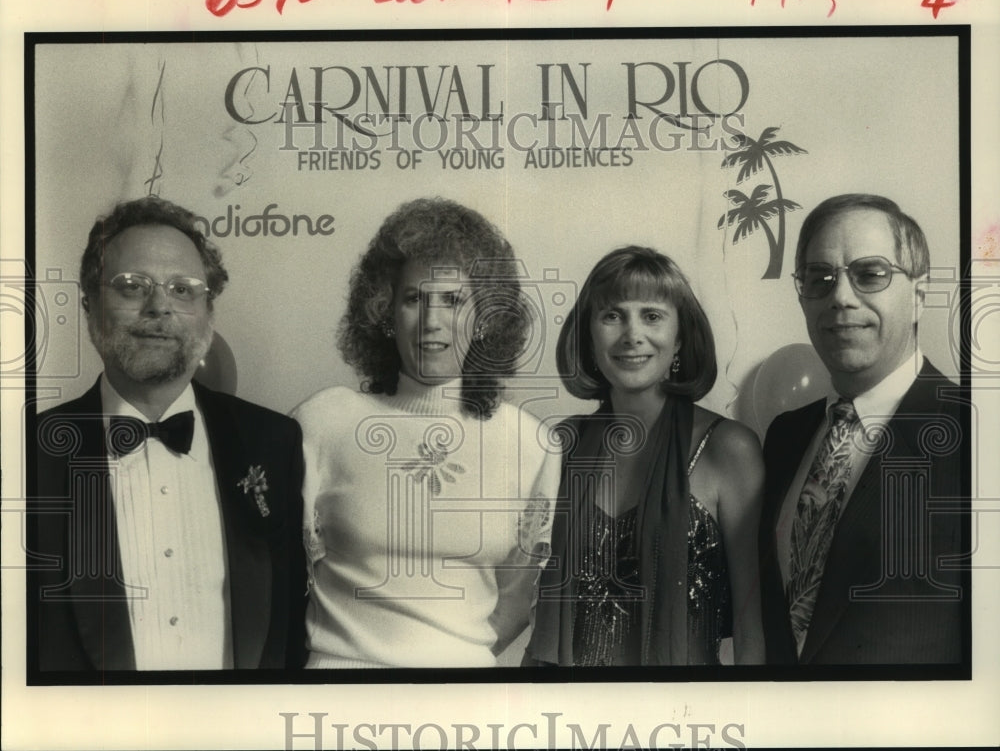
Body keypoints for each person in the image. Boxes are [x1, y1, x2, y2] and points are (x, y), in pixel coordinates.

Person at [29, 196, 307, 672]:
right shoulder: (25, 455)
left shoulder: (274, 442)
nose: (160, 306)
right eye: (132, 286)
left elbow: (287, 627)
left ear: (208, 313)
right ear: (90, 306)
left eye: (183, 289)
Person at [292, 197, 560, 668]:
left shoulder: (532, 444)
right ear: (385, 312)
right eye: (414, 298)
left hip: (466, 714)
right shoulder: (322, 422)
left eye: (453, 300)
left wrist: (444, 668)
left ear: (485, 319)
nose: (432, 322)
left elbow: (517, 601)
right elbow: (281, 583)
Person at [524, 246, 765, 666]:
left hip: (684, 717)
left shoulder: (730, 448)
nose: (631, 334)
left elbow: (752, 622)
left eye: (651, 315)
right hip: (567, 716)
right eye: (612, 315)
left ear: (680, 340)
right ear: (589, 337)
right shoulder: (562, 444)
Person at [758, 193, 966, 664]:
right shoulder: (785, 437)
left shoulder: (976, 434)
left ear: (918, 295)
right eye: (820, 278)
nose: (841, 297)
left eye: (870, 274)